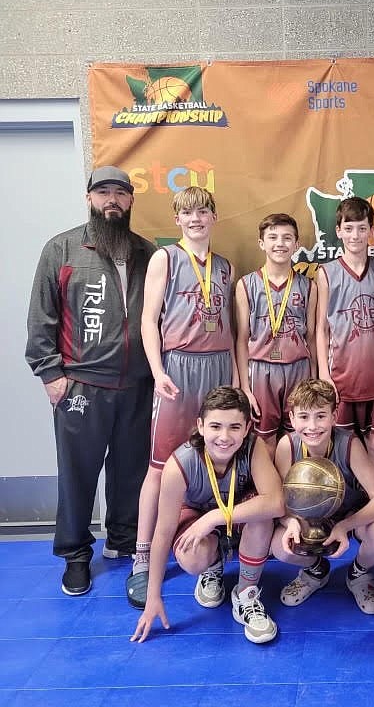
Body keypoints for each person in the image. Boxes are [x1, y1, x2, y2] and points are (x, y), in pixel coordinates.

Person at [25, 166, 155, 596]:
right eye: (103, 193)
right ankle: (76, 555)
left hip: (137, 386)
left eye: (120, 192)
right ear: (90, 199)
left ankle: (123, 540)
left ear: (132, 200)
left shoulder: (147, 252)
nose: (111, 200)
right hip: (81, 385)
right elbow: (41, 316)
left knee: (132, 471)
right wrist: (50, 374)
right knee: (78, 474)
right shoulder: (62, 249)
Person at [126, 187, 237, 609]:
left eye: (203, 211)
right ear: (178, 220)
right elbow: (147, 322)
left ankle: (210, 546)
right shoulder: (165, 258)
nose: (196, 219)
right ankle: (141, 554)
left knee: (218, 456)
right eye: (187, 213)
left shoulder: (225, 267)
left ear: (214, 216)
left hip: (218, 366)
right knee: (159, 465)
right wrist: (157, 372)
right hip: (178, 368)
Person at [130, 386, 284, 644]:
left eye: (235, 427)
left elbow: (277, 502)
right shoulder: (179, 464)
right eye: (215, 426)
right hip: (198, 522)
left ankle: (246, 594)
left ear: (247, 429)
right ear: (200, 426)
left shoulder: (253, 448)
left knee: (263, 515)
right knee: (190, 556)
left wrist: (213, 518)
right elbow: (163, 532)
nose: (224, 436)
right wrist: (153, 596)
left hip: (230, 520)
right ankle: (211, 566)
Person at [270, 379, 374, 614]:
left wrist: (345, 526)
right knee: (280, 546)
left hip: (349, 513)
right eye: (304, 417)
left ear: (334, 416)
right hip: (308, 520)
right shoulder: (287, 446)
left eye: (320, 416)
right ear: (292, 418)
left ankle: (359, 573)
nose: (312, 426)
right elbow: (281, 503)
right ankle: (315, 571)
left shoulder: (349, 444)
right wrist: (292, 522)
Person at [315, 197, 374, 478]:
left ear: (370, 230)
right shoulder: (326, 272)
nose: (355, 235)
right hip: (342, 373)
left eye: (361, 228)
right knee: (342, 443)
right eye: (349, 229)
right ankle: (344, 500)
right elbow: (321, 329)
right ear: (338, 231)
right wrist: (324, 372)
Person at [236, 213, 316, 459]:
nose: (280, 243)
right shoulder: (246, 285)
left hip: (298, 368)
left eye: (286, 238)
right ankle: (271, 491)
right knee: (265, 438)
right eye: (273, 237)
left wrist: (313, 381)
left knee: (299, 435)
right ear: (261, 243)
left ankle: (297, 490)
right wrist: (245, 388)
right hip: (261, 371)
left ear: (297, 244)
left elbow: (311, 337)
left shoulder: (308, 286)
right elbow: (241, 339)